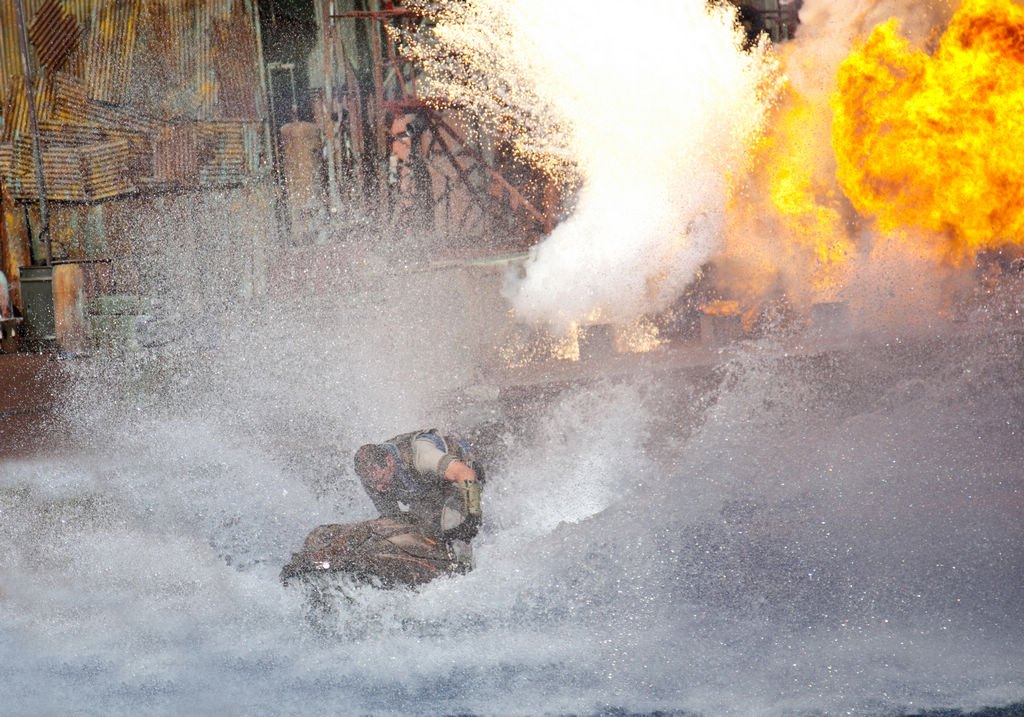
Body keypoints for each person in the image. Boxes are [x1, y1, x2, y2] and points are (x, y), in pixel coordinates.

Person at [280, 428, 485, 588]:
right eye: (373, 484)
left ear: (389, 462)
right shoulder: (372, 478)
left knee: (452, 527)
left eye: (381, 480)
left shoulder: (421, 455)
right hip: (427, 491)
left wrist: (473, 517)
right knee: (419, 528)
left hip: (462, 481)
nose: (379, 488)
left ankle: (465, 576)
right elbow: (393, 519)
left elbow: (465, 474)